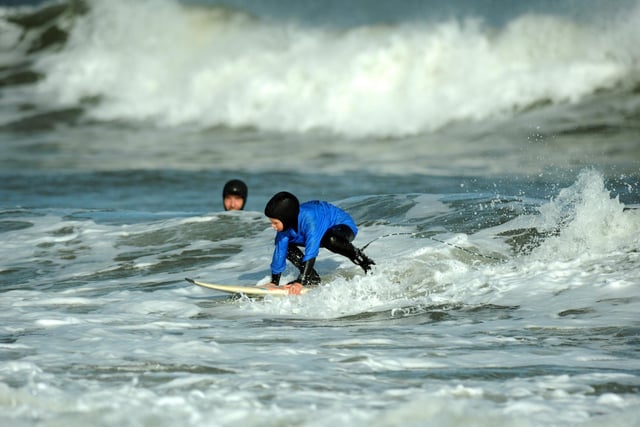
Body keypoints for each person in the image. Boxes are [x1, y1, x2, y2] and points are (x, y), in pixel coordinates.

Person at [264, 191, 375, 294]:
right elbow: (280, 253)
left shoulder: (310, 219)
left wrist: (300, 281)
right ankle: (312, 277)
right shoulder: (285, 226)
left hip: (341, 227)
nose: (272, 226)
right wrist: (274, 283)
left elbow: (311, 250)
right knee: (285, 246)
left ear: (286, 219)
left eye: (275, 223)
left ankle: (364, 261)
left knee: (330, 239)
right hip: (310, 233)